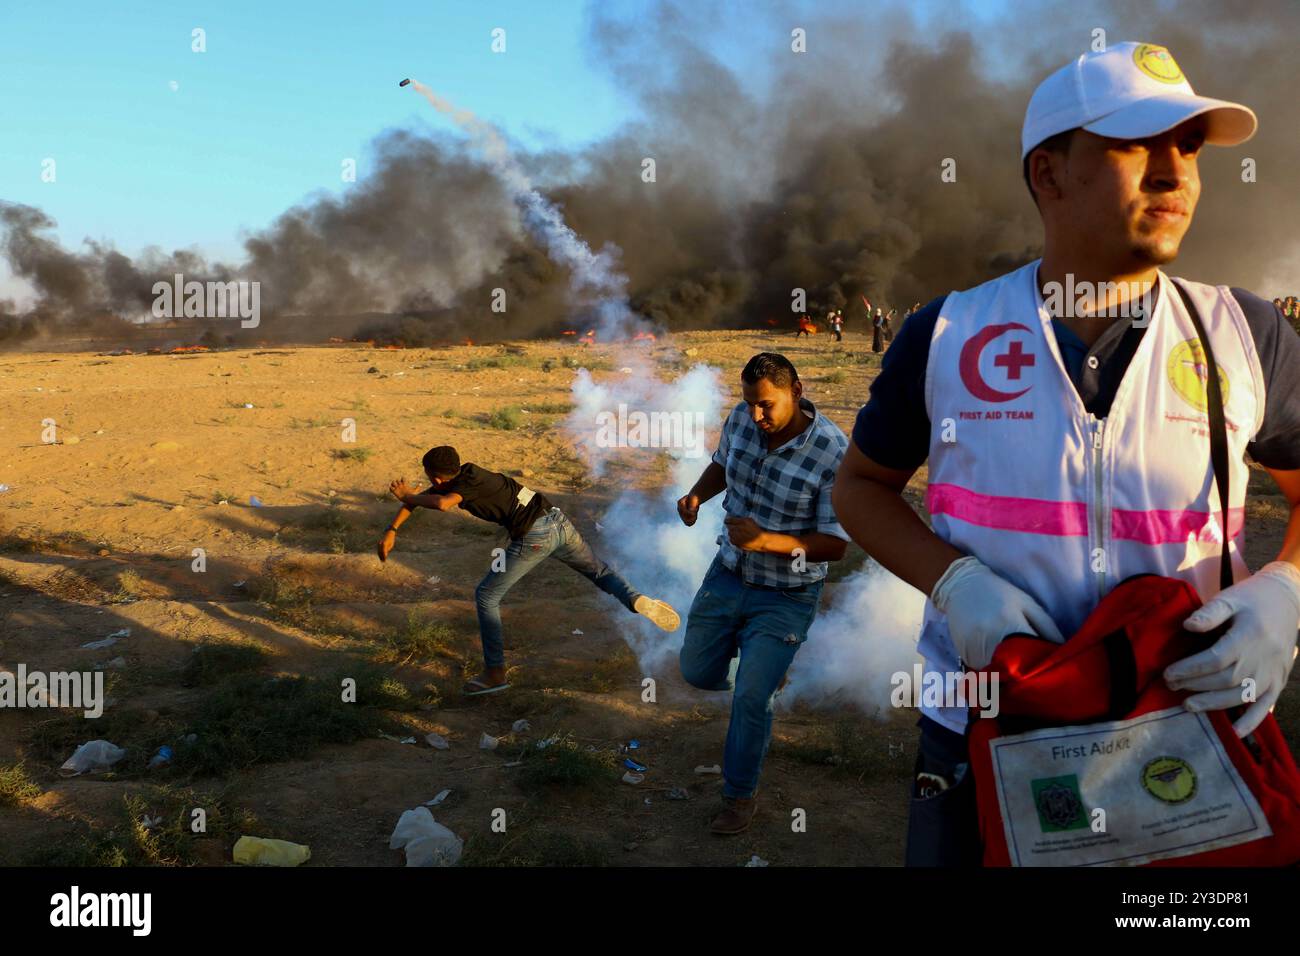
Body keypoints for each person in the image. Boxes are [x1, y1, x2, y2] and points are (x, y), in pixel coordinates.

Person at [833, 41, 1300, 866]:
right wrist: (955, 580)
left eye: (1189, 145)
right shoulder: (945, 333)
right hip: (981, 723)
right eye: (1135, 144)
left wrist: (1288, 588)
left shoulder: (1247, 333)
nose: (1175, 173)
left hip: (1183, 724)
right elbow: (861, 487)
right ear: (1048, 175)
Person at [677, 353, 850, 834]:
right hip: (728, 574)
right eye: (751, 404)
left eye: (767, 405)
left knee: (751, 699)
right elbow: (721, 464)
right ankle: (763, 674)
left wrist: (767, 541)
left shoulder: (834, 451)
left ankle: (738, 797)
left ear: (796, 389)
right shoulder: (741, 416)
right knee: (695, 670)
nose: (757, 416)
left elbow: (834, 545)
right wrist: (696, 496)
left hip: (787, 595)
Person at [381, 446, 681, 695]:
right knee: (599, 572)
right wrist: (392, 529)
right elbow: (427, 499)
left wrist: (407, 496)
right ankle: (635, 599)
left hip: (535, 534)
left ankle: (495, 673)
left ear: (434, 475)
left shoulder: (456, 489)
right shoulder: (468, 473)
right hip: (558, 520)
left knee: (486, 596)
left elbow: (443, 503)